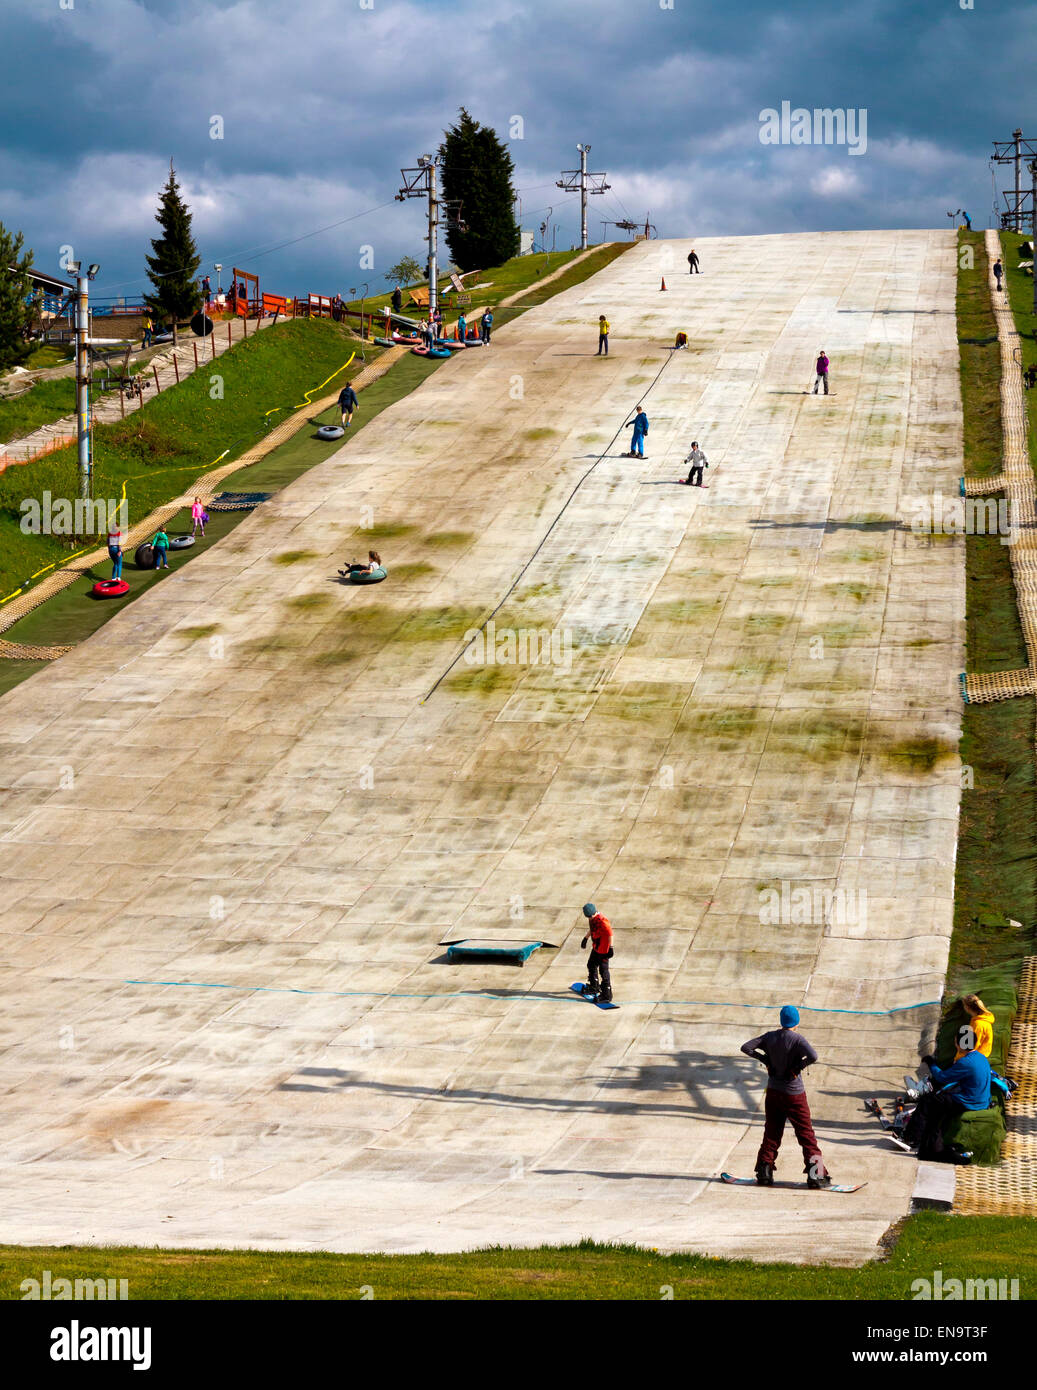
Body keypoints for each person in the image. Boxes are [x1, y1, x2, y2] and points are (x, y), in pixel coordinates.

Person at [741, 1006, 831, 1187]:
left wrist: (766, 1060)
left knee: (772, 1132)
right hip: (794, 1094)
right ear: (796, 1022)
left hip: (774, 1092)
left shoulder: (770, 1036)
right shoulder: (797, 1039)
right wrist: (798, 1068)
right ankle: (816, 1176)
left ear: (781, 1020)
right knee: (806, 1135)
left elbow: (746, 1047)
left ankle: (764, 1172)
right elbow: (813, 1056)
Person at [898, 1035, 991, 1161]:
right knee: (937, 1103)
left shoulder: (966, 1062)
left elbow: (942, 1077)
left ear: (959, 1044)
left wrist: (931, 1063)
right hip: (981, 1100)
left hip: (969, 1102)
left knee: (927, 1101)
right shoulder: (981, 1057)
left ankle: (911, 1137)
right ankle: (925, 1142)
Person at [579, 903, 613, 1002]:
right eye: (588, 916)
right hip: (596, 948)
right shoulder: (592, 918)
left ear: (595, 912)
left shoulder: (602, 921)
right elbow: (593, 928)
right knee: (591, 965)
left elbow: (610, 934)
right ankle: (594, 987)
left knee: (603, 971)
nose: (590, 918)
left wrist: (611, 947)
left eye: (591, 916)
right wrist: (586, 938)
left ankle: (607, 995)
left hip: (604, 950)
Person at [953, 994, 994, 1061]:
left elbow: (971, 1047)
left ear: (967, 1007)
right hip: (978, 1057)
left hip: (974, 1059)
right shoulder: (981, 1019)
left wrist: (958, 1059)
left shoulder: (978, 1024)